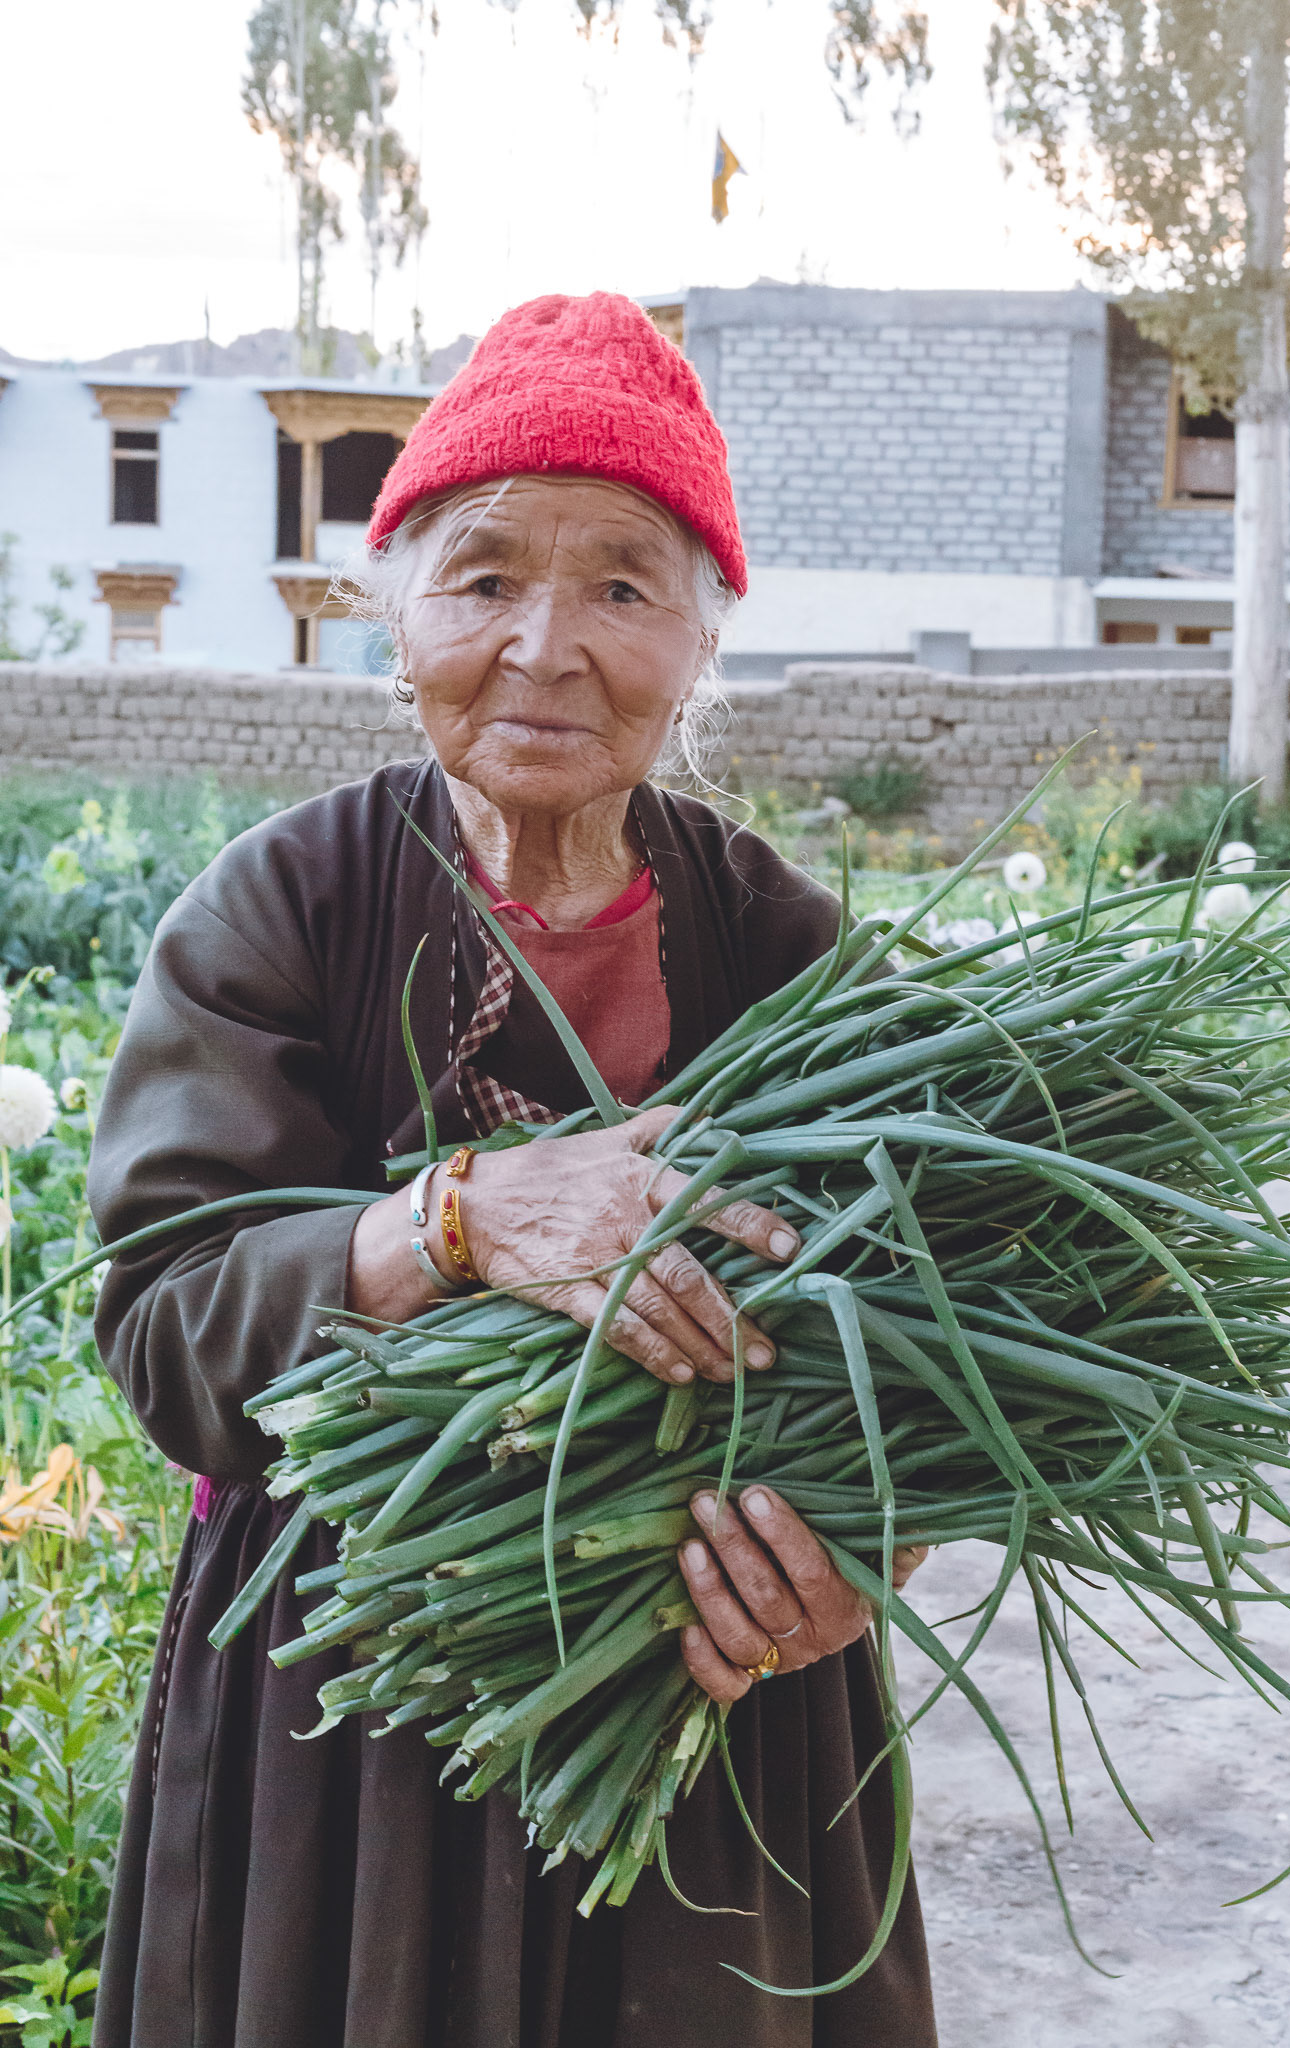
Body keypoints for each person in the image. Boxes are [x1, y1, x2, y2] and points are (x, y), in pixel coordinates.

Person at [88, 292, 938, 2048]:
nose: (547, 644)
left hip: (716, 1699)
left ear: (700, 642)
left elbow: (950, 1322)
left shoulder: (779, 941)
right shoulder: (280, 913)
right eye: (483, 579)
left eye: (622, 585)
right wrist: (449, 1225)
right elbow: (167, 1325)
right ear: (395, 620)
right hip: (357, 1704)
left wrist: (864, 1557)